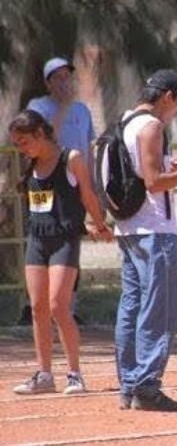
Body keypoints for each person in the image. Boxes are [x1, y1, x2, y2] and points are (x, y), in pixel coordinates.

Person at [114, 69, 177, 412]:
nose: (176, 113)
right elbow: (155, 182)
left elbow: (143, 168)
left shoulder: (126, 122)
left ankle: (130, 385)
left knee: (131, 306)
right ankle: (147, 386)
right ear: (168, 97)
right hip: (155, 229)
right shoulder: (153, 127)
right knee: (159, 310)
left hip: (129, 228)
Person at [9, 110, 112, 395]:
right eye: (17, 144)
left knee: (57, 306)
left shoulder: (71, 158)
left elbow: (87, 196)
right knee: (38, 307)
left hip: (64, 240)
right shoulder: (31, 165)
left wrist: (100, 225)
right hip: (37, 240)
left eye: (25, 142)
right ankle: (44, 375)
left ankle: (75, 374)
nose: (21, 148)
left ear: (40, 134)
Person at [21, 57, 97, 326]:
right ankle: (32, 304)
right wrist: (62, 106)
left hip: (74, 184)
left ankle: (68, 306)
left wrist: (93, 187)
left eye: (67, 76)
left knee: (71, 240)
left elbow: (89, 150)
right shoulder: (38, 107)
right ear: (48, 82)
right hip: (45, 183)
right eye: (58, 77)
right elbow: (45, 136)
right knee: (41, 236)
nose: (64, 82)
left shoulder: (83, 111)